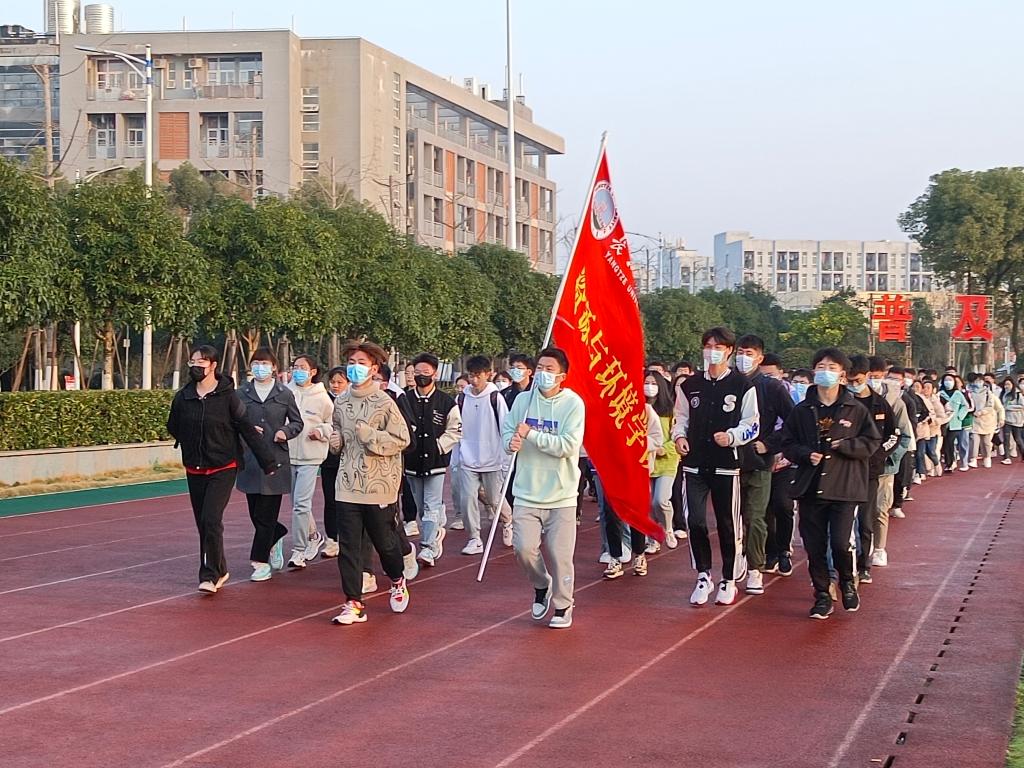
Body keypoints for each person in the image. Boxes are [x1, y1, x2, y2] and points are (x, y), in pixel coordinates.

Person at [167, 345, 280, 594]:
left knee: (211, 518)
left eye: (202, 362)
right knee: (203, 523)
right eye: (193, 361)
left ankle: (209, 574)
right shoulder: (184, 397)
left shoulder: (228, 397)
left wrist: (267, 461)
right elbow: (173, 426)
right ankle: (219, 568)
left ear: (213, 365)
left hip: (223, 465)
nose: (196, 366)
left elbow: (246, 428)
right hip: (195, 467)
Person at [780, 347, 881, 620]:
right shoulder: (802, 410)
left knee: (839, 542)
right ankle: (822, 594)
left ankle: (847, 581)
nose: (825, 372)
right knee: (813, 546)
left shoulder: (856, 409)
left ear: (843, 375)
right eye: (821, 367)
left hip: (844, 487)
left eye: (832, 368)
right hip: (810, 487)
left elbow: (872, 442)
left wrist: (845, 445)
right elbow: (787, 442)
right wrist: (804, 454)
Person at [672, 326, 759, 607]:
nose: (712, 352)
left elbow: (752, 424)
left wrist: (732, 437)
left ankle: (729, 577)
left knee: (727, 523)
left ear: (729, 351)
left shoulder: (743, 385)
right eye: (708, 346)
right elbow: (681, 417)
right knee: (695, 520)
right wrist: (679, 437)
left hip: (726, 464)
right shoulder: (689, 385)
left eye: (718, 347)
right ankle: (703, 574)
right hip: (694, 464)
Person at [329, 341, 412, 626]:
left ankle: (397, 579)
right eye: (352, 362)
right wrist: (335, 441)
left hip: (379, 485)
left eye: (361, 363)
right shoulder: (340, 401)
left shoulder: (384, 402)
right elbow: (338, 432)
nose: (355, 367)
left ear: (374, 368)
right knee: (348, 546)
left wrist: (371, 437)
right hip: (347, 484)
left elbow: (402, 439)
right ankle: (353, 603)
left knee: (385, 543)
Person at [503, 347, 585, 629]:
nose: (543, 373)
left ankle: (563, 605)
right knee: (523, 549)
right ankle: (541, 584)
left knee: (560, 556)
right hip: (526, 492)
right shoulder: (523, 401)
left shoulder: (573, 404)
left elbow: (567, 446)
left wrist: (532, 435)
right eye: (540, 368)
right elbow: (508, 430)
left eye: (549, 369)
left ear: (562, 375)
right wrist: (510, 442)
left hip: (561, 496)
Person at [236, 348, 304, 582]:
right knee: (256, 514)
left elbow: (297, 422)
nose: (260, 368)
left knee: (266, 514)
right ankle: (277, 534)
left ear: (274, 367)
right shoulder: (241, 393)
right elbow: (232, 421)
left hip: (276, 459)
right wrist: (245, 430)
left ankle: (260, 561)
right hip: (251, 459)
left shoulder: (284, 394)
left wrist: (285, 431)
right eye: (256, 363)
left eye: (264, 363)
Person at [735, 334, 793, 596]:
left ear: (759, 357)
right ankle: (734, 563)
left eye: (749, 353)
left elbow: (793, 421)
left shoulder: (772, 388)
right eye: (740, 352)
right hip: (727, 461)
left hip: (758, 462)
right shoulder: (727, 383)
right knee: (730, 518)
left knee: (755, 516)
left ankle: (755, 567)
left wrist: (769, 444)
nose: (743, 358)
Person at [404, 353, 462, 568]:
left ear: (435, 374)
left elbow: (455, 430)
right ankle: (436, 530)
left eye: (425, 372)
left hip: (436, 463)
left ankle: (428, 547)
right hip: (411, 462)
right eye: (417, 372)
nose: (421, 376)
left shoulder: (446, 402)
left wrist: (438, 447)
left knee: (430, 506)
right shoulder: (404, 400)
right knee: (422, 507)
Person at [846, 354, 897, 584]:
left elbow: (893, 435)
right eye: (849, 381)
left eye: (857, 380)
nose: (853, 385)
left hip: (869, 471)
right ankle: (841, 565)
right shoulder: (842, 401)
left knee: (865, 521)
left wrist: (876, 455)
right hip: (843, 470)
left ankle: (863, 564)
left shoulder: (880, 404)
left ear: (867, 376)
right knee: (842, 522)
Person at [456, 355, 511, 555]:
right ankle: (474, 538)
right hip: (468, 459)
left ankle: (508, 521)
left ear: (488, 374)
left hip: (492, 458)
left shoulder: (495, 398)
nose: (474, 380)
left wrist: (505, 458)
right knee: (467, 499)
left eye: (478, 375)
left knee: (494, 499)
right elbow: (456, 427)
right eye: (471, 375)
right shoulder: (461, 398)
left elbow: (505, 428)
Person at [285, 354, 334, 569]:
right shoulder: (285, 392)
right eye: (295, 367)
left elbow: (332, 423)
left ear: (313, 372)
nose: (298, 371)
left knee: (301, 504)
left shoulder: (322, 397)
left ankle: (299, 549)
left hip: (311, 455)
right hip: (287, 454)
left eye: (302, 367)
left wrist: (321, 431)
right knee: (296, 503)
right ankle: (313, 535)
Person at [320, 366, 349, 559]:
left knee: (349, 502)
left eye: (340, 382)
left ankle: (350, 538)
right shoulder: (324, 401)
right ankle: (332, 539)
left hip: (350, 460)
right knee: (330, 500)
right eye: (333, 382)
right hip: (329, 460)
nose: (336, 385)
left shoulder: (353, 401)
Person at [939, 373, 969, 473]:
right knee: (945, 443)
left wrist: (960, 416)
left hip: (955, 423)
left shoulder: (958, 394)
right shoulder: (940, 393)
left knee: (950, 442)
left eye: (950, 380)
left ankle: (950, 463)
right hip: (943, 422)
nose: (948, 382)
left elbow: (965, 406)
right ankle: (949, 461)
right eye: (946, 380)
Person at [968, 372, 999, 468]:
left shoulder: (988, 393)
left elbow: (990, 406)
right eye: (976, 381)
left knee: (986, 442)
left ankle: (987, 457)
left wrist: (981, 412)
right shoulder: (970, 392)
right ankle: (973, 459)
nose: (978, 383)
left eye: (980, 381)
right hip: (974, 419)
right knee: (974, 441)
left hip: (986, 420)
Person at [1000, 377, 1024, 463]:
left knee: (1017, 439)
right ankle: (1007, 457)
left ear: (1013, 385)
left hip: (1016, 420)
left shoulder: (1017, 394)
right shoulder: (1002, 394)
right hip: (1006, 420)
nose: (1006, 386)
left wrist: (1009, 407)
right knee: (1006, 439)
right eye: (1005, 384)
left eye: (1008, 384)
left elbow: (1022, 405)